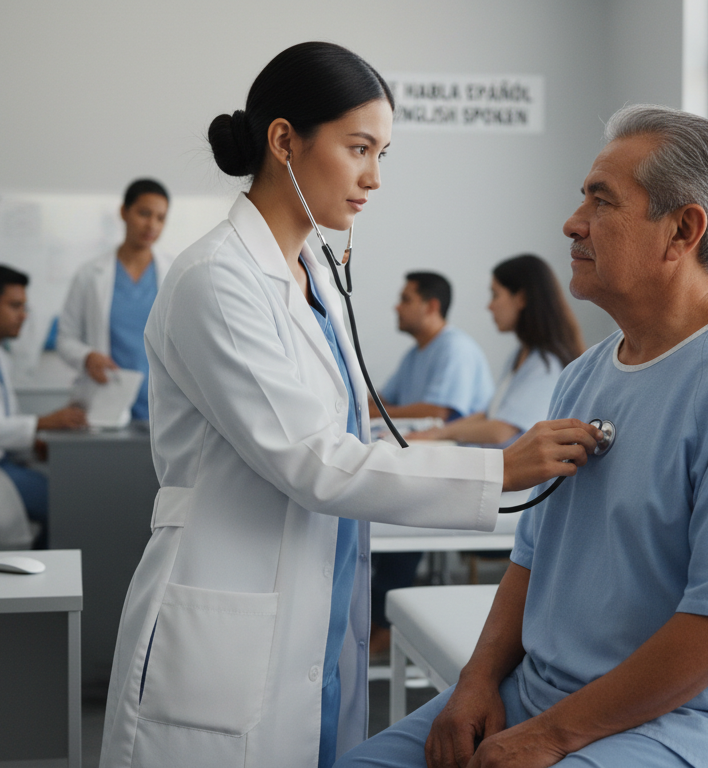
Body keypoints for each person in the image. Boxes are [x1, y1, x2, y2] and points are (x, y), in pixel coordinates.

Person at [98, 42, 602, 768]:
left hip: (317, 604)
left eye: (383, 153)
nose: (373, 176)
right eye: (358, 147)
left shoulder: (316, 275)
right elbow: (314, 462)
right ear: (283, 140)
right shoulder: (215, 279)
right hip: (224, 619)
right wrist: (497, 470)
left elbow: (347, 429)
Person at [338, 106, 708, 768]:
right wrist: (476, 682)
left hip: (700, 718)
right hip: (546, 693)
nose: (572, 222)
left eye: (601, 202)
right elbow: (530, 560)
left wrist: (549, 737)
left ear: (683, 230)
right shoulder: (584, 377)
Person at [0, 264, 87, 549]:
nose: (24, 315)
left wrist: (34, 444)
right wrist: (41, 423)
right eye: (15, 306)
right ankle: (42, 581)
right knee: (65, 507)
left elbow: (6, 422)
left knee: (69, 498)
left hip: (2, 462)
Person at [408, 254, 585, 446]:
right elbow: (489, 414)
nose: (489, 306)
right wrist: (437, 432)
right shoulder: (520, 355)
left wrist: (439, 434)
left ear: (521, 298)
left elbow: (501, 431)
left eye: (495, 295)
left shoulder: (545, 363)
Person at [57, 178, 175, 422]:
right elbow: (65, 339)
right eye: (144, 213)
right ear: (124, 212)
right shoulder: (90, 274)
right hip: (104, 396)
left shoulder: (174, 273)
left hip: (161, 402)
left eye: (160, 218)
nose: (151, 225)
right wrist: (87, 356)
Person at [377, 272, 494, 421]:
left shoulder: (456, 348)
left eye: (406, 300)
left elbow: (437, 412)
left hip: (455, 444)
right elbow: (382, 400)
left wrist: (376, 414)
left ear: (432, 306)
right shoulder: (413, 354)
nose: (397, 307)